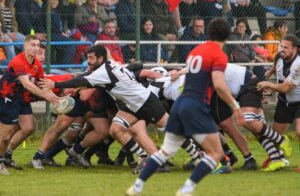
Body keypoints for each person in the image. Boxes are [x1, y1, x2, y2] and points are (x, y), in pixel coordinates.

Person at [126, 18, 244, 196]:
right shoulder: (219, 54)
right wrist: (235, 106)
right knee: (215, 153)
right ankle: (186, 190)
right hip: (196, 105)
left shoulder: (196, 51)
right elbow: (219, 85)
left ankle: (136, 187)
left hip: (179, 104)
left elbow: (191, 72)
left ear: (209, 32)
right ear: (227, 36)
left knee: (166, 151)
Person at [40, 45, 170, 172]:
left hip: (142, 102)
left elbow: (83, 83)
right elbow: (84, 87)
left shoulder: (104, 72)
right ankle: (145, 158)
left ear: (101, 58)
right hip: (127, 105)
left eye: (91, 58)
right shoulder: (112, 65)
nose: (88, 61)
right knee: (115, 130)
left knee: (170, 129)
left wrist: (55, 84)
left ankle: (156, 160)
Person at [0, 35, 59, 174]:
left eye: (38, 46)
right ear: (25, 46)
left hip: (13, 101)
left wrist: (53, 95)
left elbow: (41, 84)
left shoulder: (37, 65)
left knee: (7, 136)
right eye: (33, 45)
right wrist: (46, 96)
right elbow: (27, 84)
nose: (36, 48)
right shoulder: (18, 61)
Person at [257, 35, 300, 172]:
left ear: (295, 49)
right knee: (275, 136)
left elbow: (287, 87)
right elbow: (276, 66)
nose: (282, 49)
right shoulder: (279, 56)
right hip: (284, 101)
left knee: (299, 132)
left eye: (286, 47)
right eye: (281, 46)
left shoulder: (298, 64)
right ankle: (276, 158)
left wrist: (268, 84)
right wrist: (269, 72)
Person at [48, 0, 76, 64]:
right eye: (53, 0)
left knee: (75, 39)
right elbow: (49, 26)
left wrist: (63, 32)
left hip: (58, 34)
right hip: (50, 34)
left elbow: (60, 25)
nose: (55, 2)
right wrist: (61, 33)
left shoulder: (56, 11)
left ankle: (61, 65)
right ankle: (64, 67)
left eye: (57, 0)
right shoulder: (46, 11)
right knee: (72, 43)